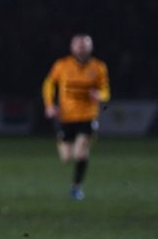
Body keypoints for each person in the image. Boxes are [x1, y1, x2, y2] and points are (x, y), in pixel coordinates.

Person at [41, 34, 110, 200]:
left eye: (85, 45)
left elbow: (106, 92)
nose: (81, 48)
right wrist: (49, 105)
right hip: (66, 116)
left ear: (90, 47)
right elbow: (48, 84)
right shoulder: (62, 65)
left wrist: (99, 96)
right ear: (72, 48)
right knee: (66, 158)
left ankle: (76, 187)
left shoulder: (98, 67)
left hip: (88, 115)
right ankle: (61, 139)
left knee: (81, 153)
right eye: (78, 45)